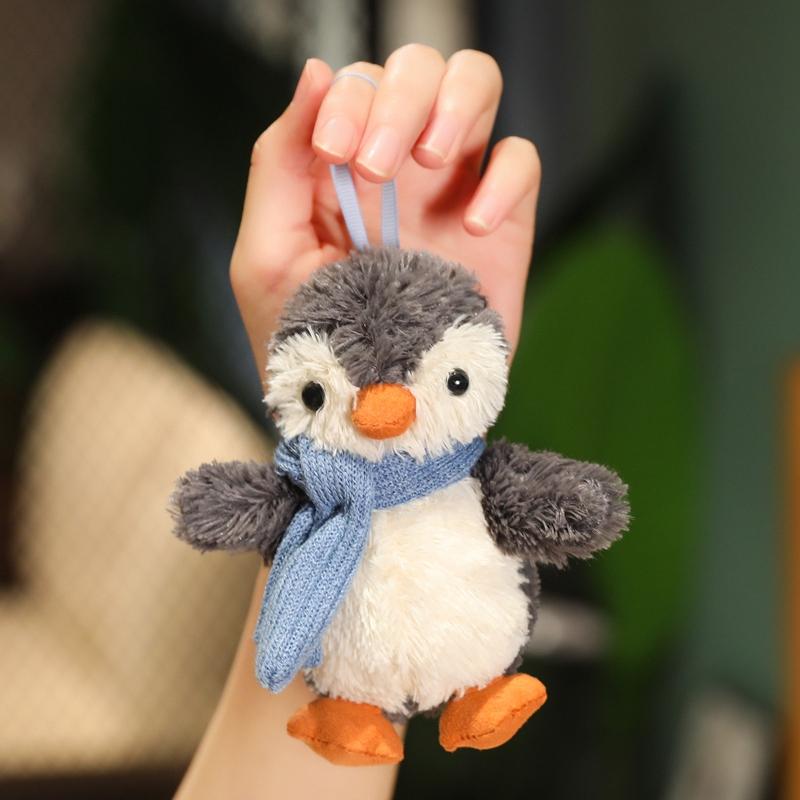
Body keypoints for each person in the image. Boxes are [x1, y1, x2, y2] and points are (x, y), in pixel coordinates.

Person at [175, 44, 541, 800]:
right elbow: (239, 505)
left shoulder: (452, 467)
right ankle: (350, 714)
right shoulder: (318, 482)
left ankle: (477, 692)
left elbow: (551, 499)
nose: (385, 408)